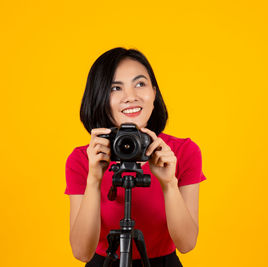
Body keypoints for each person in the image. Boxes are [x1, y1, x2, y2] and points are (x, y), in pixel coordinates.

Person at [64, 47, 206, 267]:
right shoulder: (83, 159)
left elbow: (187, 244)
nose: (130, 97)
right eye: (115, 88)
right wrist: (94, 180)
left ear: (154, 93)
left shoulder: (183, 151)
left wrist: (169, 184)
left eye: (140, 84)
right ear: (100, 97)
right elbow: (82, 252)